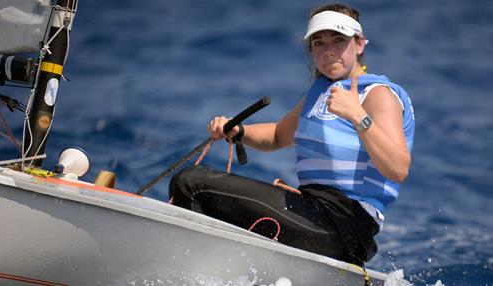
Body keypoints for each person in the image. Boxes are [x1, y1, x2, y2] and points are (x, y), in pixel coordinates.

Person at [169, 3, 415, 266]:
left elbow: (398, 168)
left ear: (359, 44)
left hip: (344, 223)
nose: (328, 50)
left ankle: (185, 273)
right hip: (312, 210)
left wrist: (358, 116)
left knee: (191, 184)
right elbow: (277, 135)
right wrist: (238, 131)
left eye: (338, 40)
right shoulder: (321, 92)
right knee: (201, 193)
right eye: (318, 43)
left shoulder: (377, 94)